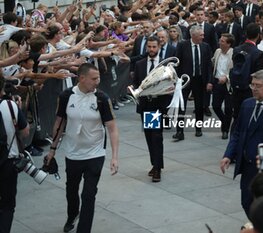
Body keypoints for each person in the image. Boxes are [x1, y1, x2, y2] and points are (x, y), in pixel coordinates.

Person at [45, 63, 119, 233]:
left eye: (98, 78)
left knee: (88, 195)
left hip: (95, 153)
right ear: (81, 78)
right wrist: (52, 149)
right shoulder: (66, 96)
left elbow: (113, 128)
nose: (97, 82)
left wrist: (114, 156)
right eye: (94, 79)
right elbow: (59, 122)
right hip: (73, 153)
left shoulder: (102, 98)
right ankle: (72, 216)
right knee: (71, 191)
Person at [220, 69, 263, 217]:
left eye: (258, 85)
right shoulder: (247, 104)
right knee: (246, 202)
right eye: (252, 85)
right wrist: (228, 155)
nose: (254, 89)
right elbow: (237, 132)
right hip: (247, 165)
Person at [133, 36, 167, 182]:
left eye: (154, 47)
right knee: (149, 137)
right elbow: (135, 84)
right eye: (149, 47)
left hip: (158, 105)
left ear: (159, 47)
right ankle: (155, 164)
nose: (151, 49)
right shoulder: (140, 64)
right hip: (145, 105)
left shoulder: (164, 65)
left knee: (156, 137)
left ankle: (158, 168)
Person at [173, 25, 213, 141]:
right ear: (193, 35)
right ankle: (179, 131)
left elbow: (208, 66)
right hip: (185, 80)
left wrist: (209, 81)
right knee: (181, 106)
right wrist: (177, 80)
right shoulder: (182, 45)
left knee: (199, 106)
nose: (203, 37)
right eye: (201, 35)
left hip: (200, 80)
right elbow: (177, 62)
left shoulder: (205, 47)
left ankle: (198, 129)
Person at [0, 76, 29, 233]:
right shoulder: (10, 105)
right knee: (7, 205)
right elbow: (24, 132)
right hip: (8, 162)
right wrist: (18, 110)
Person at [211, 33, 234, 139]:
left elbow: (235, 70)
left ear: (228, 44)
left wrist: (227, 77)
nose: (219, 42)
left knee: (229, 108)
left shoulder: (233, 53)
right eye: (220, 40)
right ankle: (225, 121)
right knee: (215, 105)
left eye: (222, 41)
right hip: (217, 82)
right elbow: (213, 63)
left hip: (228, 84)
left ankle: (225, 130)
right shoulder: (217, 51)